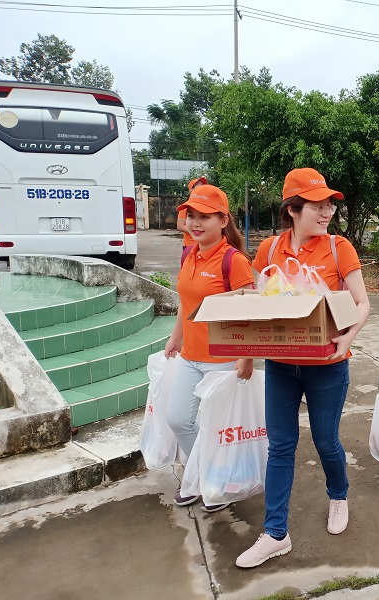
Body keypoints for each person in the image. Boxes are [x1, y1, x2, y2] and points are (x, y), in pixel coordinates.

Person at [236, 168, 370, 569]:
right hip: (280, 365)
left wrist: (348, 339)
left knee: (326, 440)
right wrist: (246, 352)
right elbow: (259, 305)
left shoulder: (338, 248)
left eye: (329, 204)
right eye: (317, 204)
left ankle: (339, 494)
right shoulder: (269, 250)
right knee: (280, 446)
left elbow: (362, 304)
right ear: (293, 209)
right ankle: (276, 533)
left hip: (327, 364)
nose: (327, 210)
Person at [164, 184, 255, 512]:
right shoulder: (189, 253)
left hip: (222, 360)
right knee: (178, 419)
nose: (196, 222)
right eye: (192, 216)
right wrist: (176, 336)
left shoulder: (234, 261)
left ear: (222, 219)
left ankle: (210, 482)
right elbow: (185, 302)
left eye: (205, 216)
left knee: (217, 429)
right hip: (190, 356)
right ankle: (202, 475)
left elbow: (251, 314)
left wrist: (246, 358)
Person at [177, 176, 208, 251]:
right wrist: (196, 231)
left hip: (205, 245)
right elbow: (180, 226)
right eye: (198, 185)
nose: (201, 187)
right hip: (190, 245)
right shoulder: (186, 207)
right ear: (191, 190)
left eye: (202, 185)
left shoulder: (207, 206)